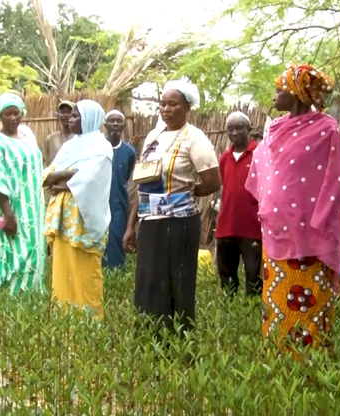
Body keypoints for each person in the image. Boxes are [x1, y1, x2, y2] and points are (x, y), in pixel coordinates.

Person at [245, 64, 340, 355]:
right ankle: (278, 358)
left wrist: (323, 220)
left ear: (298, 93)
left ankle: (310, 362)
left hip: (310, 236)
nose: (276, 95)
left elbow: (337, 180)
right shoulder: (275, 129)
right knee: (278, 299)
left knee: (308, 301)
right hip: (276, 231)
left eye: (281, 89)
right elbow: (263, 170)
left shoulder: (326, 129)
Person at [125, 78, 221, 334]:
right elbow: (141, 182)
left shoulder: (195, 138)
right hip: (150, 221)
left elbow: (212, 181)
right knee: (149, 279)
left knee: (176, 280)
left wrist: (185, 195)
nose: (166, 109)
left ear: (187, 107)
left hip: (179, 223)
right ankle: (150, 333)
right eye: (163, 104)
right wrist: (131, 225)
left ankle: (179, 338)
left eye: (173, 104)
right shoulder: (153, 137)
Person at [44, 100, 113, 318]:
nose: (70, 119)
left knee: (85, 272)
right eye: (70, 115)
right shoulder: (69, 146)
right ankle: (64, 319)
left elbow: (90, 178)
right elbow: (47, 175)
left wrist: (62, 180)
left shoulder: (102, 147)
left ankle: (91, 323)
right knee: (63, 270)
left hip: (84, 220)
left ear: (89, 119)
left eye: (76, 116)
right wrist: (69, 173)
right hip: (63, 220)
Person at [0, 93, 46, 294]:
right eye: (8, 114)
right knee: (17, 254)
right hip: (14, 209)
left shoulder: (27, 138)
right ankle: (12, 302)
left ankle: (32, 300)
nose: (13, 118)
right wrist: (8, 214)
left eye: (17, 113)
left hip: (33, 207)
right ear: (0, 116)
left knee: (33, 252)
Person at [215, 111, 262, 298]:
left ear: (249, 130)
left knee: (253, 273)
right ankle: (229, 308)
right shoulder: (224, 158)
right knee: (226, 272)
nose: (234, 133)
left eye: (239, 128)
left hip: (252, 225)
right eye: (230, 129)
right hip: (227, 224)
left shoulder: (259, 154)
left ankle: (251, 312)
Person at [102, 110, 136, 269]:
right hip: (99, 201)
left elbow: (127, 175)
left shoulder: (129, 152)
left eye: (119, 121)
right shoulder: (98, 148)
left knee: (116, 234)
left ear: (124, 125)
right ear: (105, 125)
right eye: (111, 121)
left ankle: (116, 271)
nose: (115, 124)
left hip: (118, 202)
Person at [42, 100, 75, 168]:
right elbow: (45, 162)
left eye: (69, 112)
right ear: (57, 115)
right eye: (62, 112)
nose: (65, 115)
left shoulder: (79, 138)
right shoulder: (50, 139)